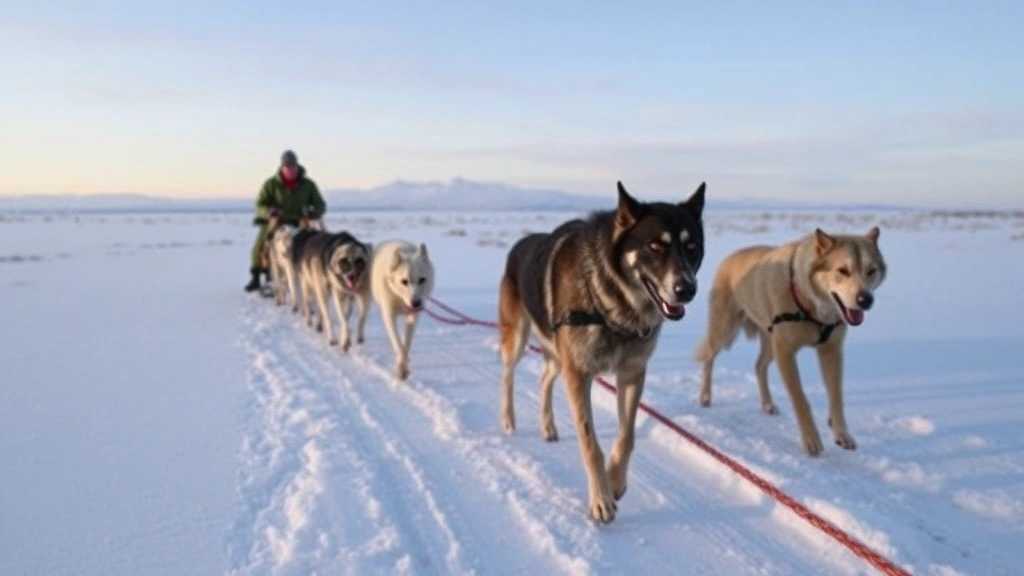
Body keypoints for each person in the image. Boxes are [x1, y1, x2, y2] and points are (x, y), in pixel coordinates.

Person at [245, 149, 327, 292]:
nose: (290, 170)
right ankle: (256, 276)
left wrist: (314, 213)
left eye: (292, 167)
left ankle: (314, 274)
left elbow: (320, 204)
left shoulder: (308, 185)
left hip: (300, 222)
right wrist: (268, 212)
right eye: (287, 167)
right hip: (277, 221)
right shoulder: (271, 184)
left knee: (316, 243)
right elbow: (259, 204)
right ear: (281, 168)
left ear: (297, 167)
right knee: (261, 246)